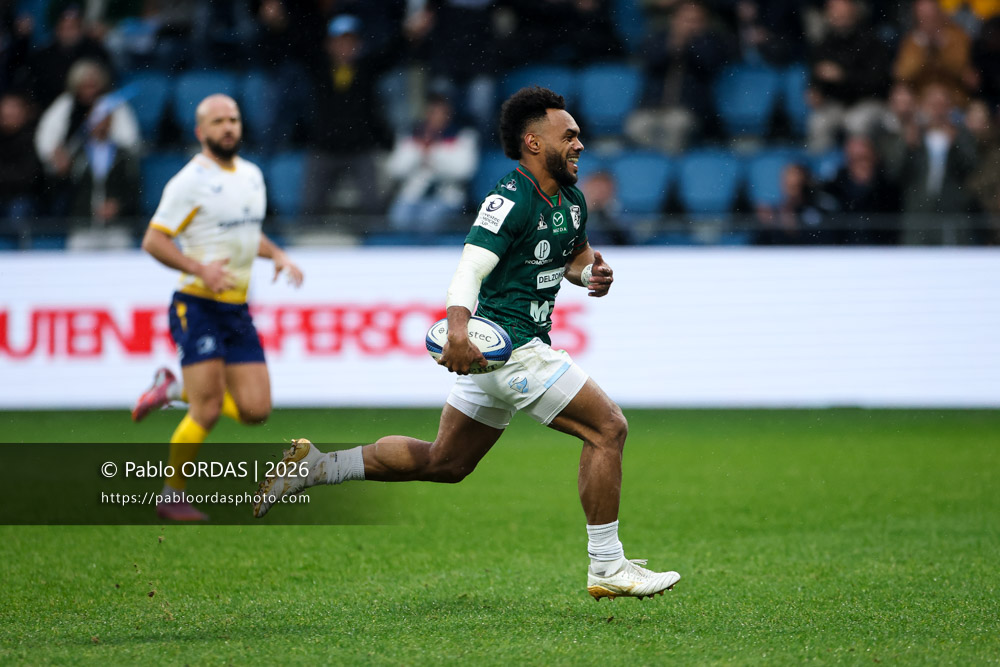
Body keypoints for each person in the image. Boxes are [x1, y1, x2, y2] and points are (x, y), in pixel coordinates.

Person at [254, 87, 681, 601]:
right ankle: (608, 566)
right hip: (510, 347)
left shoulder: (571, 198)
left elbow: (573, 254)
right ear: (532, 142)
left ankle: (320, 466)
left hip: (501, 355)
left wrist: (593, 272)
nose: (579, 145)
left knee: (446, 463)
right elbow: (470, 269)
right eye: (568, 136)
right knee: (608, 429)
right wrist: (457, 331)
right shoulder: (509, 197)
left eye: (579, 137)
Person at [130, 94, 304, 521]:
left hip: (236, 309)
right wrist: (198, 268)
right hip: (197, 304)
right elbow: (154, 239)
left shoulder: (252, 175)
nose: (228, 127)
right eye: (219, 121)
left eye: (234, 120)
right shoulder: (189, 181)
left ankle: (173, 389)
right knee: (207, 408)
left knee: (256, 411)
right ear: (200, 131)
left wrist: (277, 255)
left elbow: (246, 235)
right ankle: (171, 495)